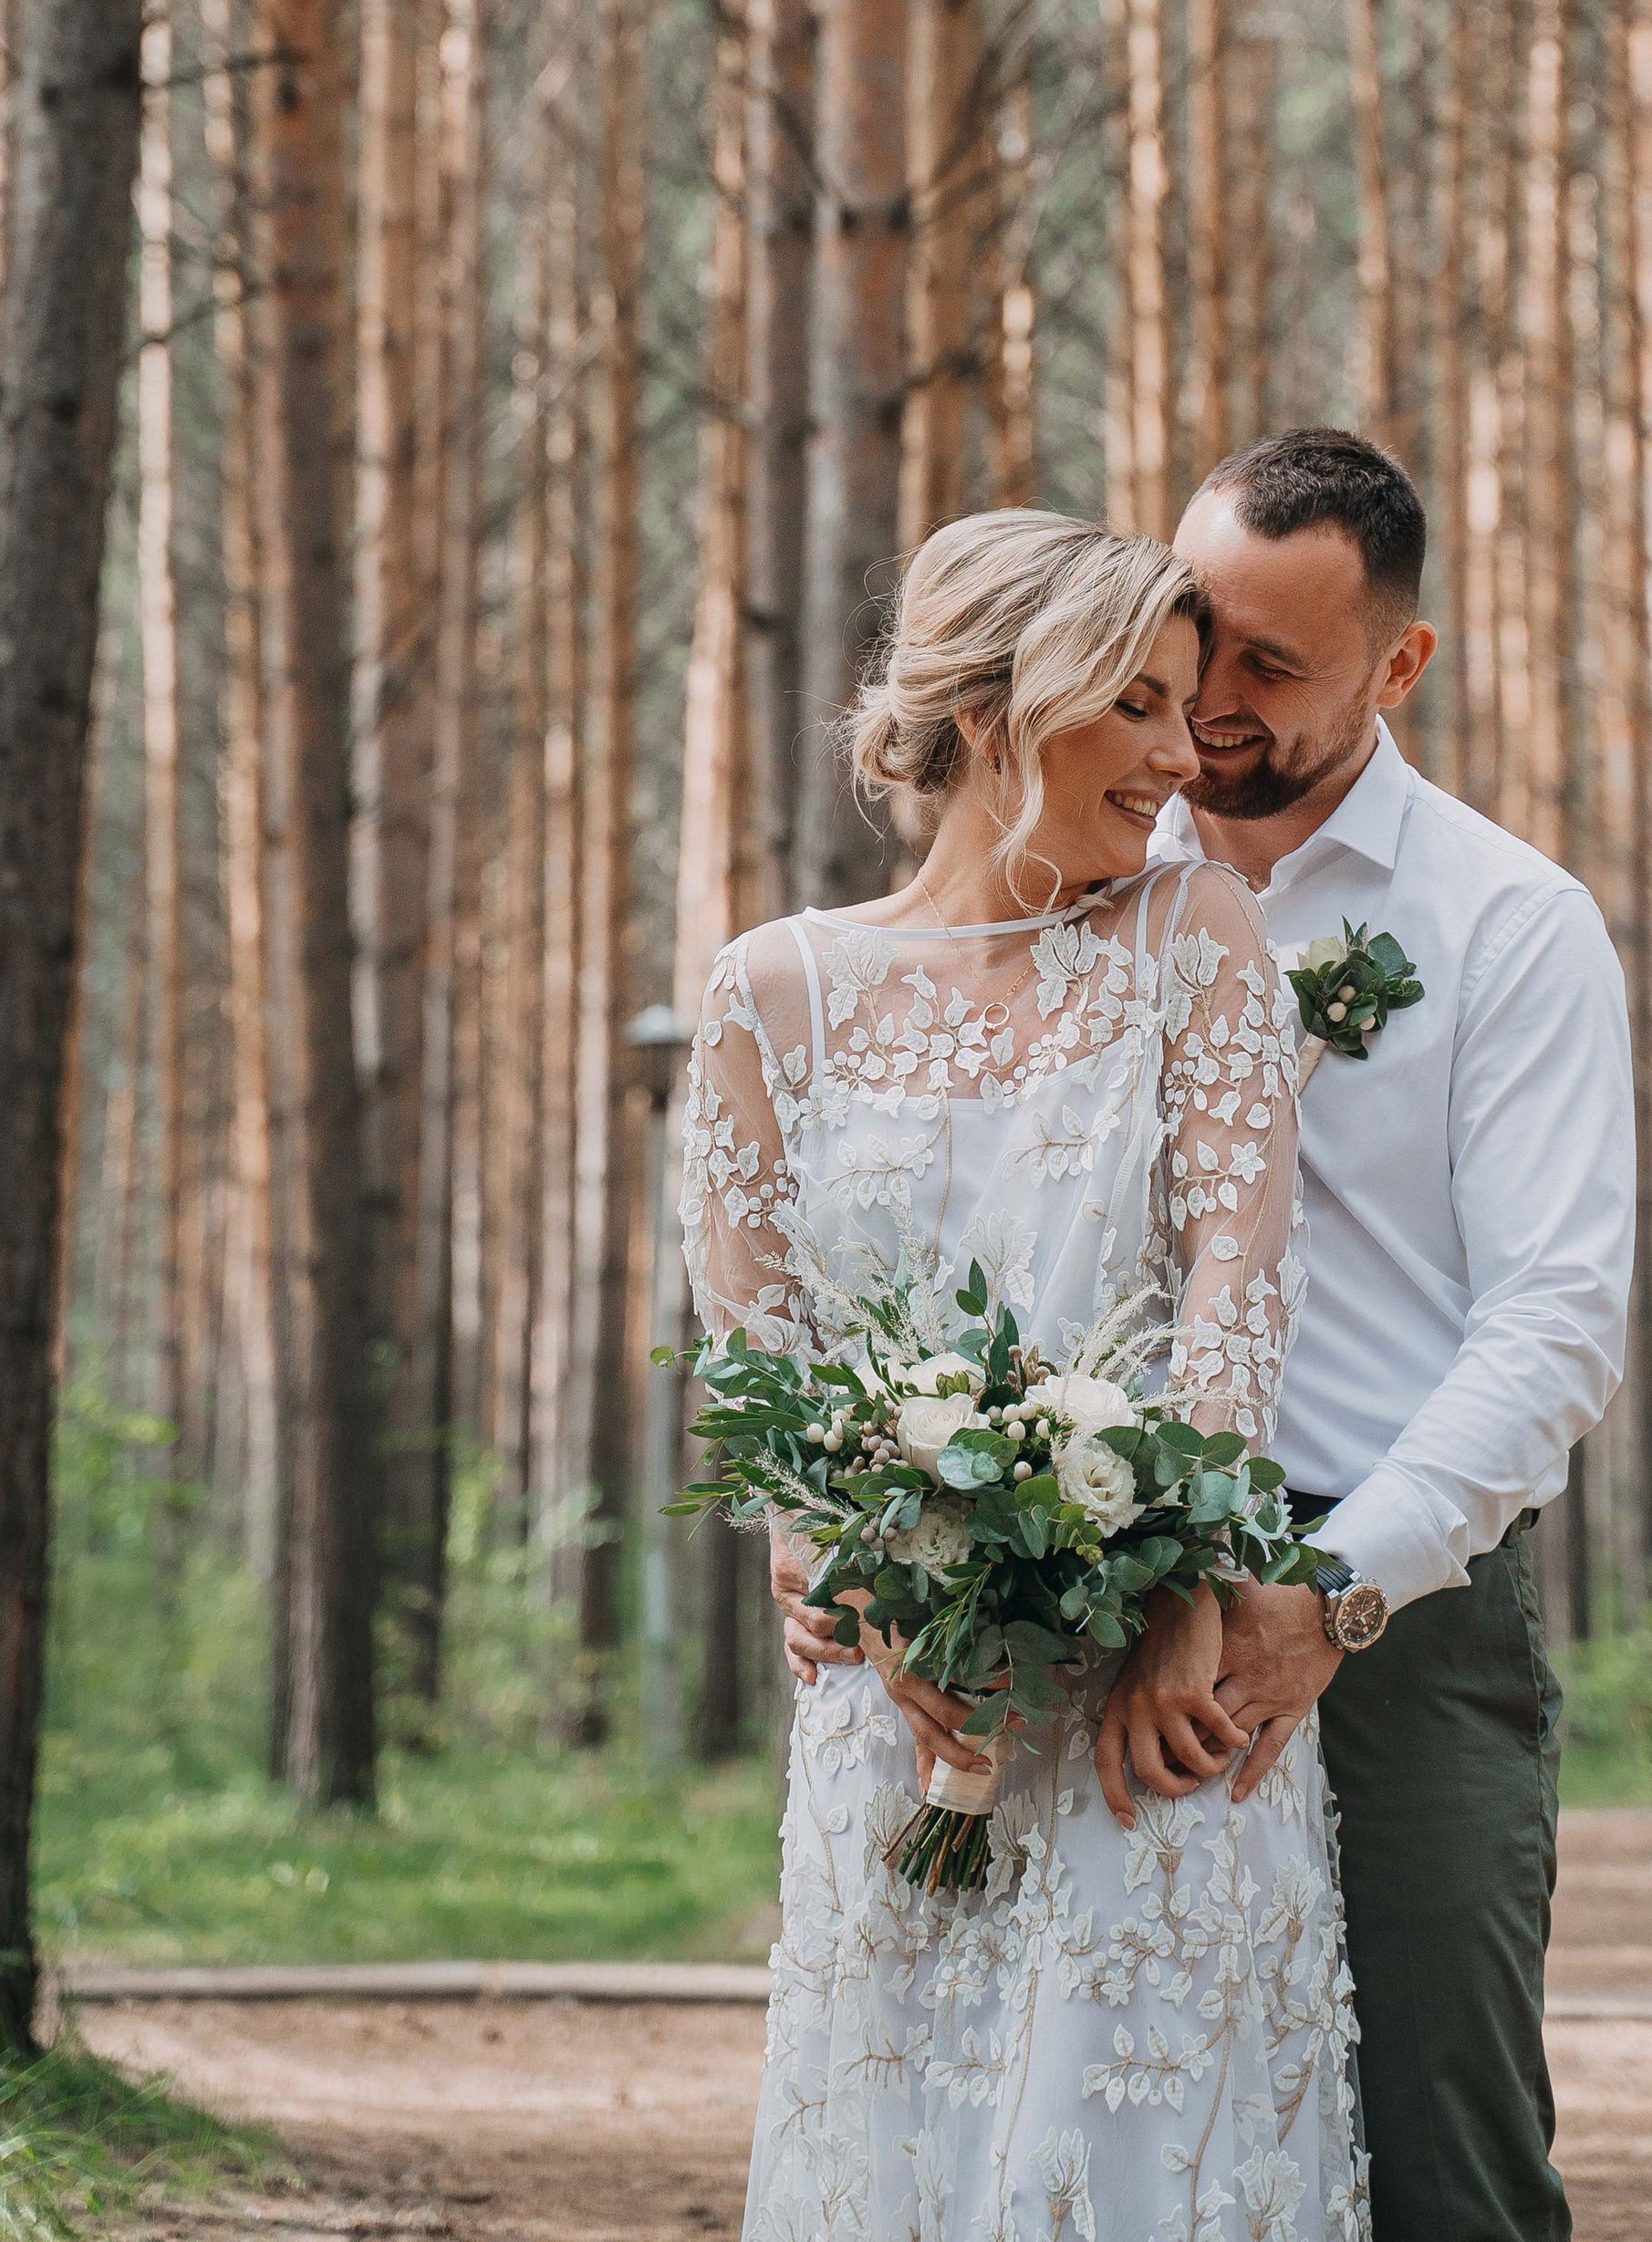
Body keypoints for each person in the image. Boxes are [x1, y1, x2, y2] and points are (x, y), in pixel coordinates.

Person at [697, 509, 1368, 2242]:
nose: (1181, 757)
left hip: (1157, 1707)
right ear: (999, 707)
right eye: (1137, 705)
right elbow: (759, 1369)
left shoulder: (1195, 934)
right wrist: (855, 1584)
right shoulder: (772, 994)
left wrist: (1180, 1599)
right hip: (908, 1716)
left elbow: (1236, 1295)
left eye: (1185, 709)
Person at [1100, 427, 1636, 2242]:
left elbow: (1554, 1320)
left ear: (1396, 666)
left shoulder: (1506, 922)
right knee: (1117, 2130)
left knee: (1440, 2146)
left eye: (1272, 663)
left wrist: (1329, 1591)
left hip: (1395, 1605)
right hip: (1084, 1586)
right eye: (1195, 635)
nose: (1210, 699)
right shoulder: (1075, 875)